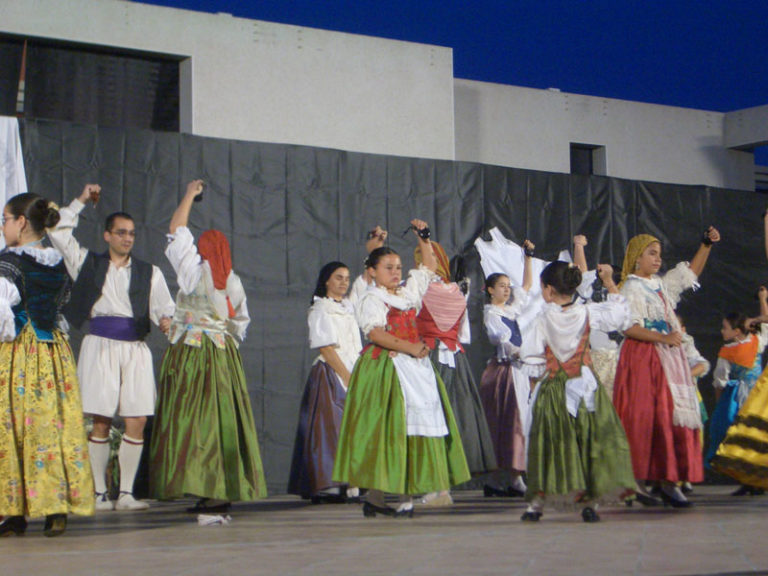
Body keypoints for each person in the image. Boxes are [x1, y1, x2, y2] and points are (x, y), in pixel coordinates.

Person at [47, 184, 175, 511]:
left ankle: (128, 494)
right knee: (100, 420)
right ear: (107, 236)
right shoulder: (87, 263)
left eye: (131, 233)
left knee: (137, 419)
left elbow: (165, 309)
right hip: (100, 346)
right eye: (121, 233)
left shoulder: (150, 272)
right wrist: (81, 200)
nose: (127, 238)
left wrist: (167, 323)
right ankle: (99, 493)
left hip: (135, 349)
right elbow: (58, 230)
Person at [332, 220, 470, 518]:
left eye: (397, 267)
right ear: (372, 271)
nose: (395, 272)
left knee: (411, 430)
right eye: (388, 267)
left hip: (413, 366)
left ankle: (385, 498)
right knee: (390, 431)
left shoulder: (406, 294)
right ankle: (384, 496)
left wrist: (424, 238)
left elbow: (428, 267)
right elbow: (376, 333)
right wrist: (410, 347)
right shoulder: (372, 297)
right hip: (386, 367)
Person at [149, 181, 266, 510]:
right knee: (220, 419)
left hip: (193, 354)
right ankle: (216, 488)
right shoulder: (232, 281)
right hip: (222, 356)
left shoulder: (193, 271)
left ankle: (210, 489)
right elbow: (239, 324)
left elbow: (176, 229)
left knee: (195, 421)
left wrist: (188, 194)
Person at [0, 193, 94, 537]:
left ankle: (15, 510)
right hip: (53, 352)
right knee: (52, 425)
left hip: (20, 354)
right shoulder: (57, 262)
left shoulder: (9, 262)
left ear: (21, 222)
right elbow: (66, 304)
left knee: (14, 427)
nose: (3, 226)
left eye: (6, 219)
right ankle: (53, 508)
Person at [520, 262, 635, 522]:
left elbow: (532, 355)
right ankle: (589, 503)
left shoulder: (542, 318)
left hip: (553, 387)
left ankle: (536, 505)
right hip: (585, 387)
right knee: (588, 441)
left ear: (548, 289)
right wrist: (609, 283)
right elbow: (620, 315)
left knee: (551, 444)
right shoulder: (587, 313)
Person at [613, 228, 720, 507]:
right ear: (637, 258)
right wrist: (663, 337)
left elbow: (689, 276)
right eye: (651, 253)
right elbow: (628, 327)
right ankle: (637, 482)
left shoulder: (660, 285)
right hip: (643, 359)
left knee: (671, 417)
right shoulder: (631, 287)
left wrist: (705, 244)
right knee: (647, 417)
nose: (657, 259)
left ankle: (669, 480)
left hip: (667, 359)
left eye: (659, 254)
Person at [413, 242, 497, 506]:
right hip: (455, 358)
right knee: (456, 419)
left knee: (429, 420)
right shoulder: (457, 291)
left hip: (427, 358)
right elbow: (462, 334)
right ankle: (443, 483)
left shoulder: (419, 289)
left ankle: (436, 485)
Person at [288, 260, 362, 503]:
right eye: (338, 277)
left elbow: (366, 285)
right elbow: (327, 348)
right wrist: (346, 375)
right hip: (331, 373)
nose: (343, 282)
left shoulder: (348, 307)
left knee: (351, 429)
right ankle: (327, 485)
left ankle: (350, 483)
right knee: (329, 430)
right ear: (327, 281)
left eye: (346, 278)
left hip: (352, 369)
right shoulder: (320, 309)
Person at [479, 240, 535, 498]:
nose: (507, 290)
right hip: (505, 372)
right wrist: (527, 354)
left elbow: (525, 288)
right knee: (508, 421)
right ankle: (507, 477)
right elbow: (503, 340)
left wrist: (527, 259)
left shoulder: (510, 311)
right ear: (490, 290)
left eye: (507, 286)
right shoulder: (492, 314)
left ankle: (510, 477)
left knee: (518, 420)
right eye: (501, 286)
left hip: (518, 371)